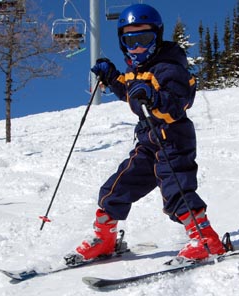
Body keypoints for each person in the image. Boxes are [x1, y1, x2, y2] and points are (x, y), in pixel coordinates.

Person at [64, 4, 225, 265]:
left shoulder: (169, 67)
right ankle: (105, 239)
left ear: (157, 36)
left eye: (144, 39)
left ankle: (205, 239)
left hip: (173, 139)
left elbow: (177, 104)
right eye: (131, 41)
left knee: (177, 190)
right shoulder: (137, 69)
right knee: (114, 189)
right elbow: (131, 92)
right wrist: (112, 76)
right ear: (122, 42)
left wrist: (153, 97)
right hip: (148, 141)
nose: (137, 47)